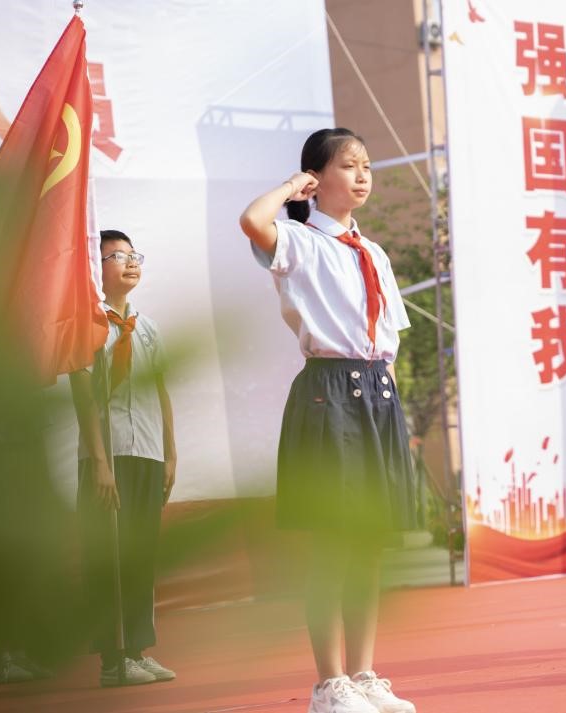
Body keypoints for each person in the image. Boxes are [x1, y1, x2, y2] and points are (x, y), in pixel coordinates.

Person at [240, 128, 418, 712]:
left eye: (367, 166)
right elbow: (252, 220)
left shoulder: (376, 252)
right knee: (330, 544)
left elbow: (391, 342)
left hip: (379, 393)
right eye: (349, 165)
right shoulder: (297, 240)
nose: (363, 176)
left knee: (368, 540)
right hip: (329, 393)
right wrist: (293, 188)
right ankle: (329, 683)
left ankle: (365, 674)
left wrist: (401, 413)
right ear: (319, 177)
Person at [69, 230, 177, 686]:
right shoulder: (88, 324)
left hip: (147, 451)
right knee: (108, 556)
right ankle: (112, 660)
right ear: (95, 267)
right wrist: (98, 462)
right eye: (117, 256)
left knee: (140, 553)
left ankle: (136, 649)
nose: (131, 263)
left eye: (135, 256)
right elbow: (83, 393)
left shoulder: (146, 327)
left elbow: (160, 390)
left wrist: (170, 454)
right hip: (108, 455)